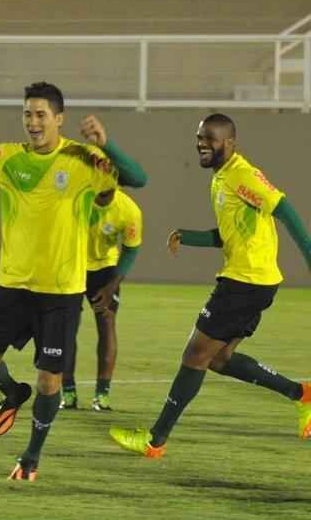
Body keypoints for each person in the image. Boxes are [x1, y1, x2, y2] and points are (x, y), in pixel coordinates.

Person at [0, 82, 147, 481]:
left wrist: (108, 144)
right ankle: (13, 393)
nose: (33, 122)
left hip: (62, 293)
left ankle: (30, 457)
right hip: (13, 286)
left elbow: (138, 178)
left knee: (50, 379)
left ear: (59, 119)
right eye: (28, 114)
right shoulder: (7, 157)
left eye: (41, 115)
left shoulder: (83, 159)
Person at [111, 113, 311, 458]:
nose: (203, 143)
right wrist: (187, 237)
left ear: (231, 143)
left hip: (243, 283)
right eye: (200, 137)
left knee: (195, 355)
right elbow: (228, 235)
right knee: (219, 359)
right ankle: (303, 395)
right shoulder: (221, 178)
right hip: (255, 283)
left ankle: (154, 440)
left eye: (211, 138)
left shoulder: (242, 175)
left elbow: (284, 209)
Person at [60, 174, 144, 411]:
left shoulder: (129, 211)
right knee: (66, 327)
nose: (100, 196)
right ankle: (68, 393)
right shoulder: (76, 198)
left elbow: (130, 251)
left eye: (106, 192)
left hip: (105, 270)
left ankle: (102, 395)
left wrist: (112, 286)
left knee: (107, 323)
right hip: (72, 266)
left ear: (116, 186)